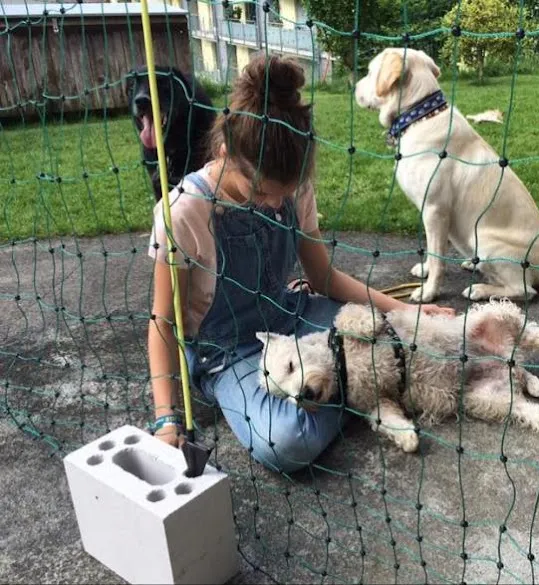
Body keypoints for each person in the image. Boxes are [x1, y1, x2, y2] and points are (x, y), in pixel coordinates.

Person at [147, 52, 453, 473]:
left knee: (399, 337)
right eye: (262, 194)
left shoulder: (295, 188)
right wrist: (167, 417)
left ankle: (357, 384)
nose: (275, 205)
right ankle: (370, 387)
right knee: (285, 441)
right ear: (223, 152)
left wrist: (408, 310)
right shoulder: (183, 212)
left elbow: (323, 276)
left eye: (284, 193)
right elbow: (163, 322)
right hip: (230, 354)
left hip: (294, 318)